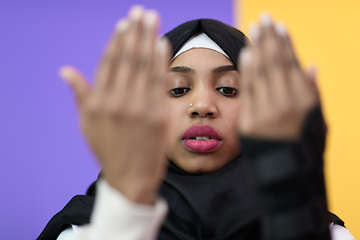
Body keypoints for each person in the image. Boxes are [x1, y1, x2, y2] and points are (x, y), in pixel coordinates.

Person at [37, 5, 355, 240]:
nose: (202, 105)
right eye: (177, 89)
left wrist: (293, 213)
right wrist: (126, 206)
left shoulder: (324, 234)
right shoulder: (82, 231)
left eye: (229, 89)